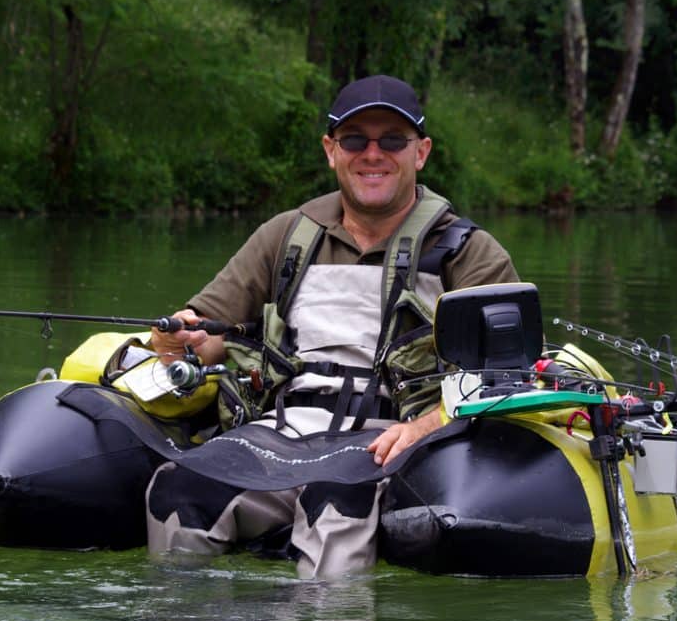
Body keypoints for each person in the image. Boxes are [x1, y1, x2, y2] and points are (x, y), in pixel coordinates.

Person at [146, 74, 518, 579]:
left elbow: (506, 380)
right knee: (177, 487)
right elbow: (206, 337)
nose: (373, 154)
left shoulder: (469, 253)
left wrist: (424, 427)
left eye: (392, 140)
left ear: (421, 152)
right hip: (280, 433)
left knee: (336, 507)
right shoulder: (285, 235)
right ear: (330, 150)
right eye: (354, 140)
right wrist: (178, 340)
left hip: (388, 441)